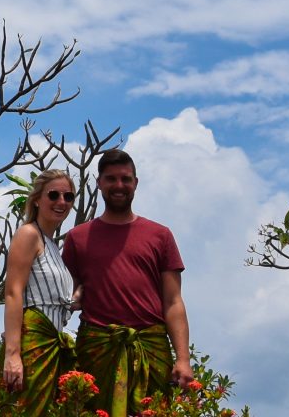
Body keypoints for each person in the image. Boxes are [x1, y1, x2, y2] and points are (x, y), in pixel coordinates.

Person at [61, 149, 193, 417]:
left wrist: (182, 359)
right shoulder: (77, 238)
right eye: (111, 179)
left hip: (150, 347)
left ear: (135, 182)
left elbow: (173, 301)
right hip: (98, 348)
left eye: (125, 179)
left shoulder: (160, 235)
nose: (119, 186)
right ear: (99, 183)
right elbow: (69, 291)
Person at [0, 169, 79, 415]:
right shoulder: (28, 234)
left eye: (68, 197)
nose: (61, 202)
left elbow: (50, 297)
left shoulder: (53, 245)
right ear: (37, 199)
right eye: (53, 195)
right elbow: (13, 293)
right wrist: (13, 355)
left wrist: (75, 299)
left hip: (52, 342)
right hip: (31, 342)